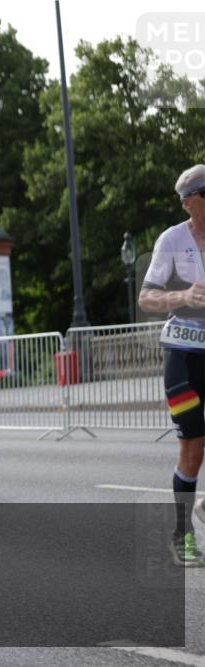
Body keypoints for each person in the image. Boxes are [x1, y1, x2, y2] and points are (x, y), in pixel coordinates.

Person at [138, 163, 205, 567]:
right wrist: (183, 299)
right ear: (191, 202)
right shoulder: (172, 240)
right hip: (182, 355)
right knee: (192, 447)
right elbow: (147, 299)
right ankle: (182, 537)